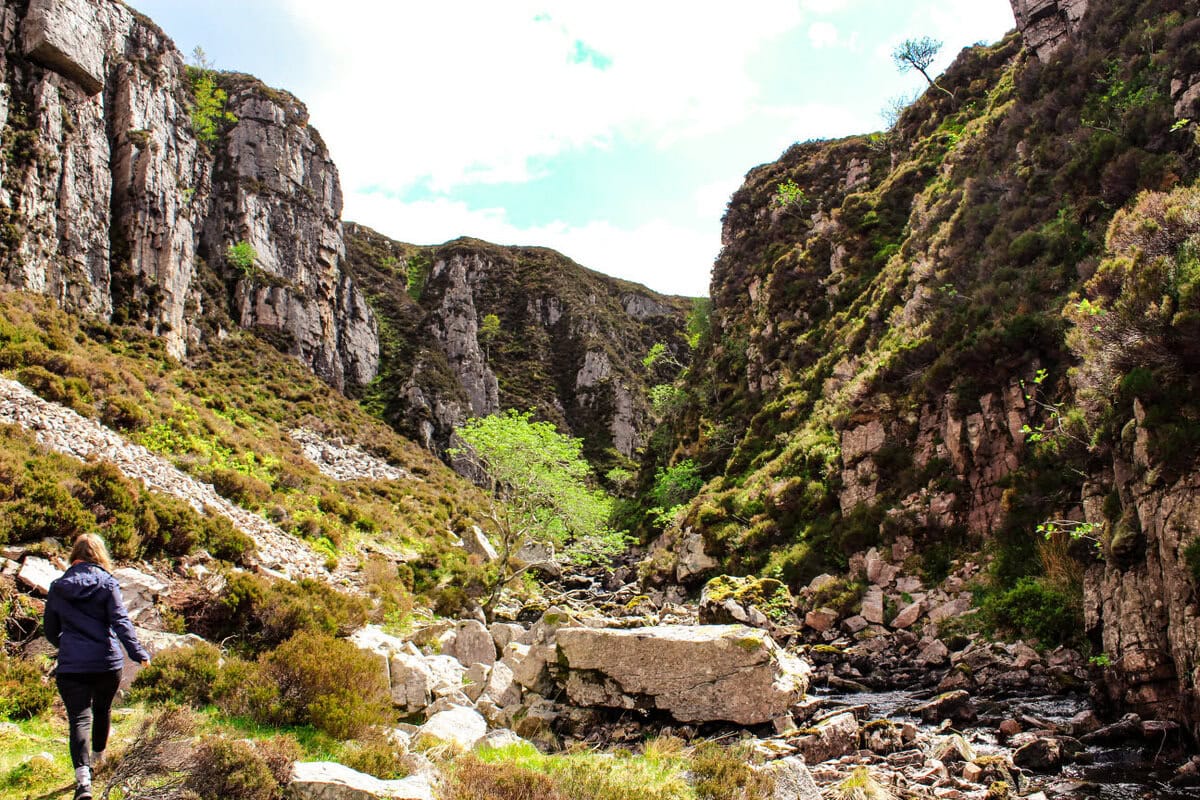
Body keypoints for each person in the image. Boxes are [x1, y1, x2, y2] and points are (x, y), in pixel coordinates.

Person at [43, 534, 151, 800]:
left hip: (72, 665)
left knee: (79, 719)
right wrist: (138, 653)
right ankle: (98, 759)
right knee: (102, 709)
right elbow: (121, 622)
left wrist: (67, 644)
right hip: (106, 662)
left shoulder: (58, 587)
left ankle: (83, 781)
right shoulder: (107, 583)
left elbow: (50, 629)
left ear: (74, 556)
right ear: (100, 556)